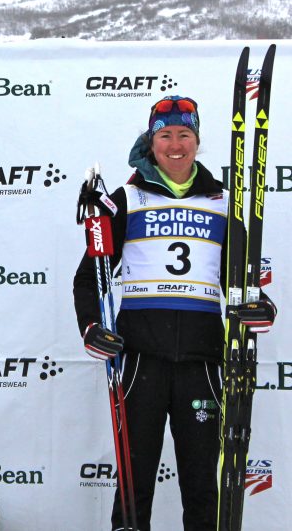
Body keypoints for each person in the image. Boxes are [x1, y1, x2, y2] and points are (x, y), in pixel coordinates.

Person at [72, 95, 277, 531]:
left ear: (197, 141)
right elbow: (90, 275)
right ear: (152, 142)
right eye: (165, 135)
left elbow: (237, 280)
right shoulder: (124, 199)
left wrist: (259, 305)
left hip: (201, 364)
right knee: (133, 485)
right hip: (140, 360)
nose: (175, 144)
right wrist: (91, 326)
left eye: (185, 134)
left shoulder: (224, 202)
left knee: (203, 486)